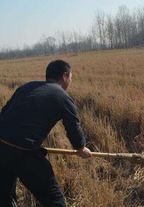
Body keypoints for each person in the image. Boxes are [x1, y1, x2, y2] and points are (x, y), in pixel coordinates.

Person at [0, 60, 92, 207]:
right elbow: (73, 126)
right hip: (24, 152)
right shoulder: (62, 96)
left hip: (1, 148)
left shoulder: (26, 87)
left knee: (4, 198)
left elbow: (3, 113)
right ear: (65, 76)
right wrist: (81, 148)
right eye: (71, 77)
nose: (70, 81)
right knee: (54, 200)